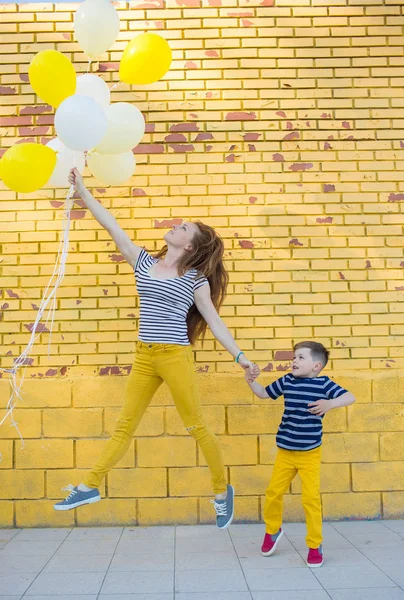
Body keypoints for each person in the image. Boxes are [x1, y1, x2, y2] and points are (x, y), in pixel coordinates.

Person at [54, 168, 255, 529]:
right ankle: (89, 486)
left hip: (174, 356)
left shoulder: (196, 280)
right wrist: (82, 188)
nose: (175, 227)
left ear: (189, 245)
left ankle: (221, 493)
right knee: (123, 425)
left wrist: (241, 358)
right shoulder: (144, 263)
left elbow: (213, 320)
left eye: (182, 228)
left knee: (196, 426)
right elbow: (112, 225)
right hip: (144, 355)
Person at [245, 341, 355, 566]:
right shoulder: (287, 380)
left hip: (309, 454)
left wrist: (330, 404)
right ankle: (272, 530)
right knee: (273, 493)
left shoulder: (325, 384)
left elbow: (350, 397)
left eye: (301, 357)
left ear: (316, 365)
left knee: (310, 499)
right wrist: (251, 381)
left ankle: (315, 545)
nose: (294, 361)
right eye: (294, 357)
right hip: (285, 452)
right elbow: (264, 394)